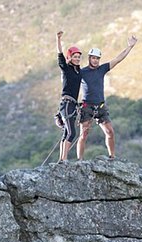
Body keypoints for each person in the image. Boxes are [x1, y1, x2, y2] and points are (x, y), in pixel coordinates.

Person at [77, 35, 138, 160]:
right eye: (93, 58)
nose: (95, 60)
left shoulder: (102, 69)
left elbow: (117, 59)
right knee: (83, 134)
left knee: (110, 132)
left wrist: (130, 47)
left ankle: (112, 156)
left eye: (97, 59)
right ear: (89, 58)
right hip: (87, 107)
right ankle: (80, 160)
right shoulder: (82, 72)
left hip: (100, 106)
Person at [55, 30, 83, 163]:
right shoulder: (66, 68)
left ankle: (62, 159)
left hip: (72, 104)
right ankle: (64, 158)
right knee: (72, 133)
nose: (77, 59)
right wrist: (58, 39)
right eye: (74, 56)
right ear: (70, 57)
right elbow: (60, 54)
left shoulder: (79, 72)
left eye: (78, 57)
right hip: (66, 104)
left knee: (67, 132)